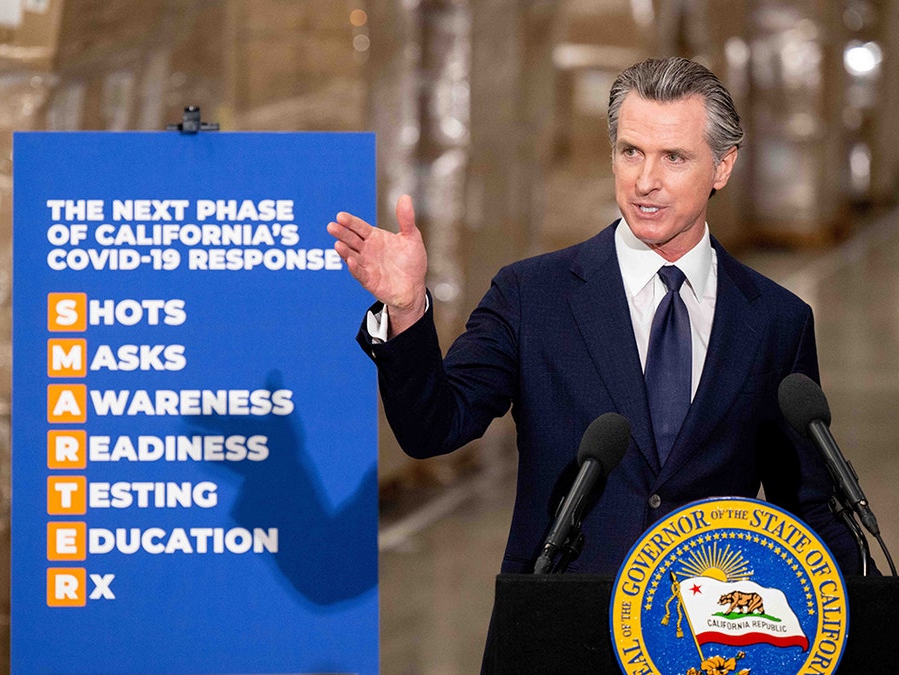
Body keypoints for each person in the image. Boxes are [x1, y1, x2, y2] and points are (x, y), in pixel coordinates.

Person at [327, 57, 862, 575]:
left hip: (705, 648)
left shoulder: (775, 320)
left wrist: (863, 615)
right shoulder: (531, 295)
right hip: (558, 632)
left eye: (673, 157)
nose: (645, 180)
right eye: (631, 152)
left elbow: (808, 509)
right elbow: (434, 430)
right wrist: (404, 310)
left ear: (722, 166)